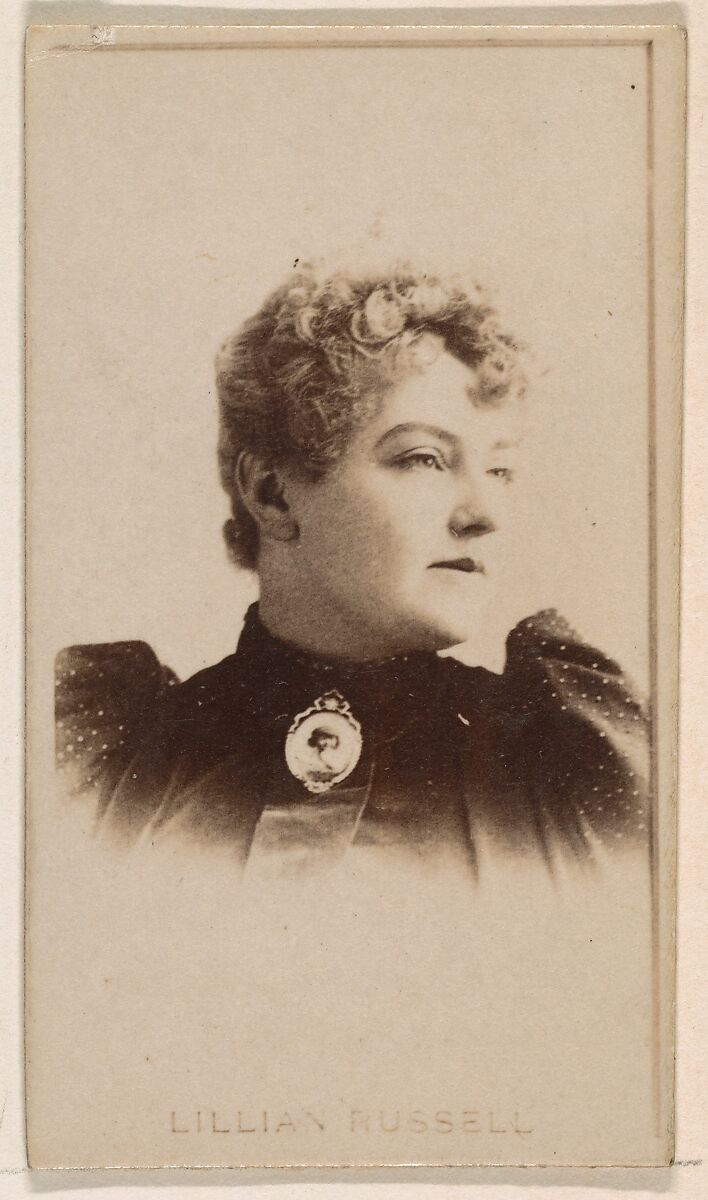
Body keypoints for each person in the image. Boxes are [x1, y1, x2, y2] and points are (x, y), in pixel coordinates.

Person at [55, 263, 650, 878]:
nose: (485, 514)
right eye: (424, 459)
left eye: (500, 469)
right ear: (272, 494)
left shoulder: (569, 780)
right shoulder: (108, 758)